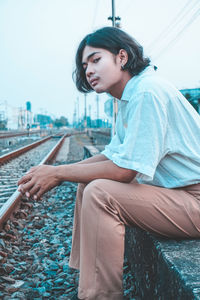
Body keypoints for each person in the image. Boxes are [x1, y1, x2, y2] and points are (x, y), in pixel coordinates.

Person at [18, 27, 200, 300]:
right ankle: (89, 280)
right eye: (84, 65)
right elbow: (113, 156)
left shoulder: (146, 93)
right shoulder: (132, 96)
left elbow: (125, 171)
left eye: (95, 60)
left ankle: (99, 294)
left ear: (122, 57)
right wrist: (60, 172)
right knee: (87, 184)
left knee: (100, 193)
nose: (88, 70)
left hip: (193, 201)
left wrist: (59, 173)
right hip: (179, 197)